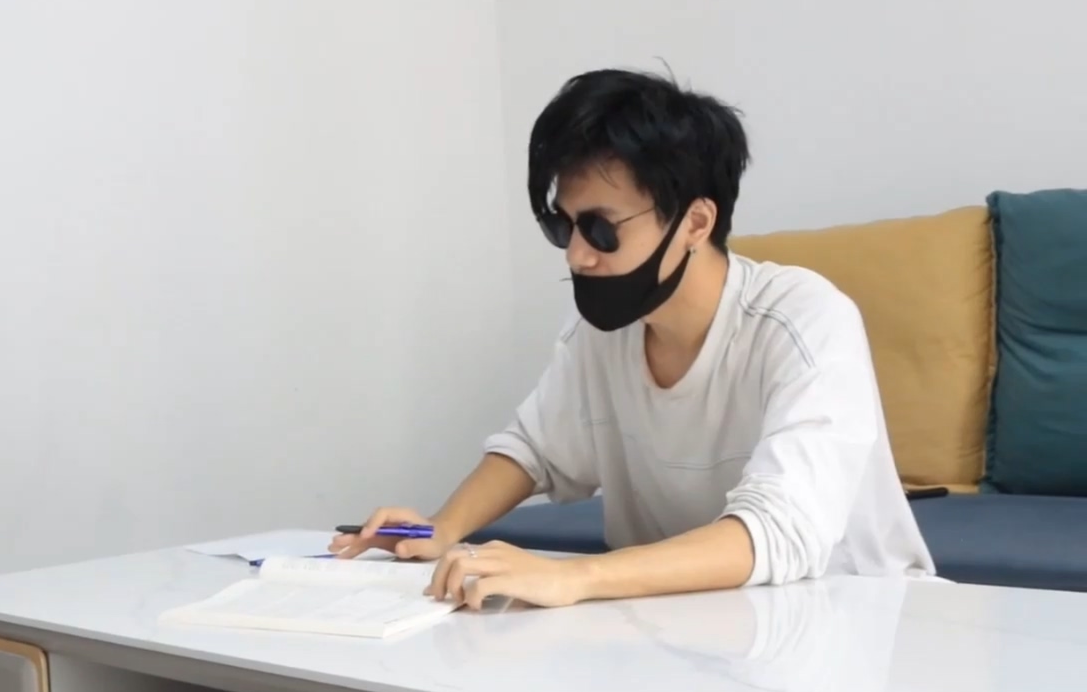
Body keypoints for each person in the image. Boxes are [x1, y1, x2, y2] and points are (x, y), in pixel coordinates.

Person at [333, 67, 934, 608]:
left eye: (600, 228)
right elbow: (534, 450)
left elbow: (780, 532)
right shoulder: (605, 334)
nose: (576, 255)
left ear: (695, 222)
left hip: (847, 618)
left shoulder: (805, 322)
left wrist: (575, 577)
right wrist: (440, 530)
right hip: (683, 622)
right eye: (563, 226)